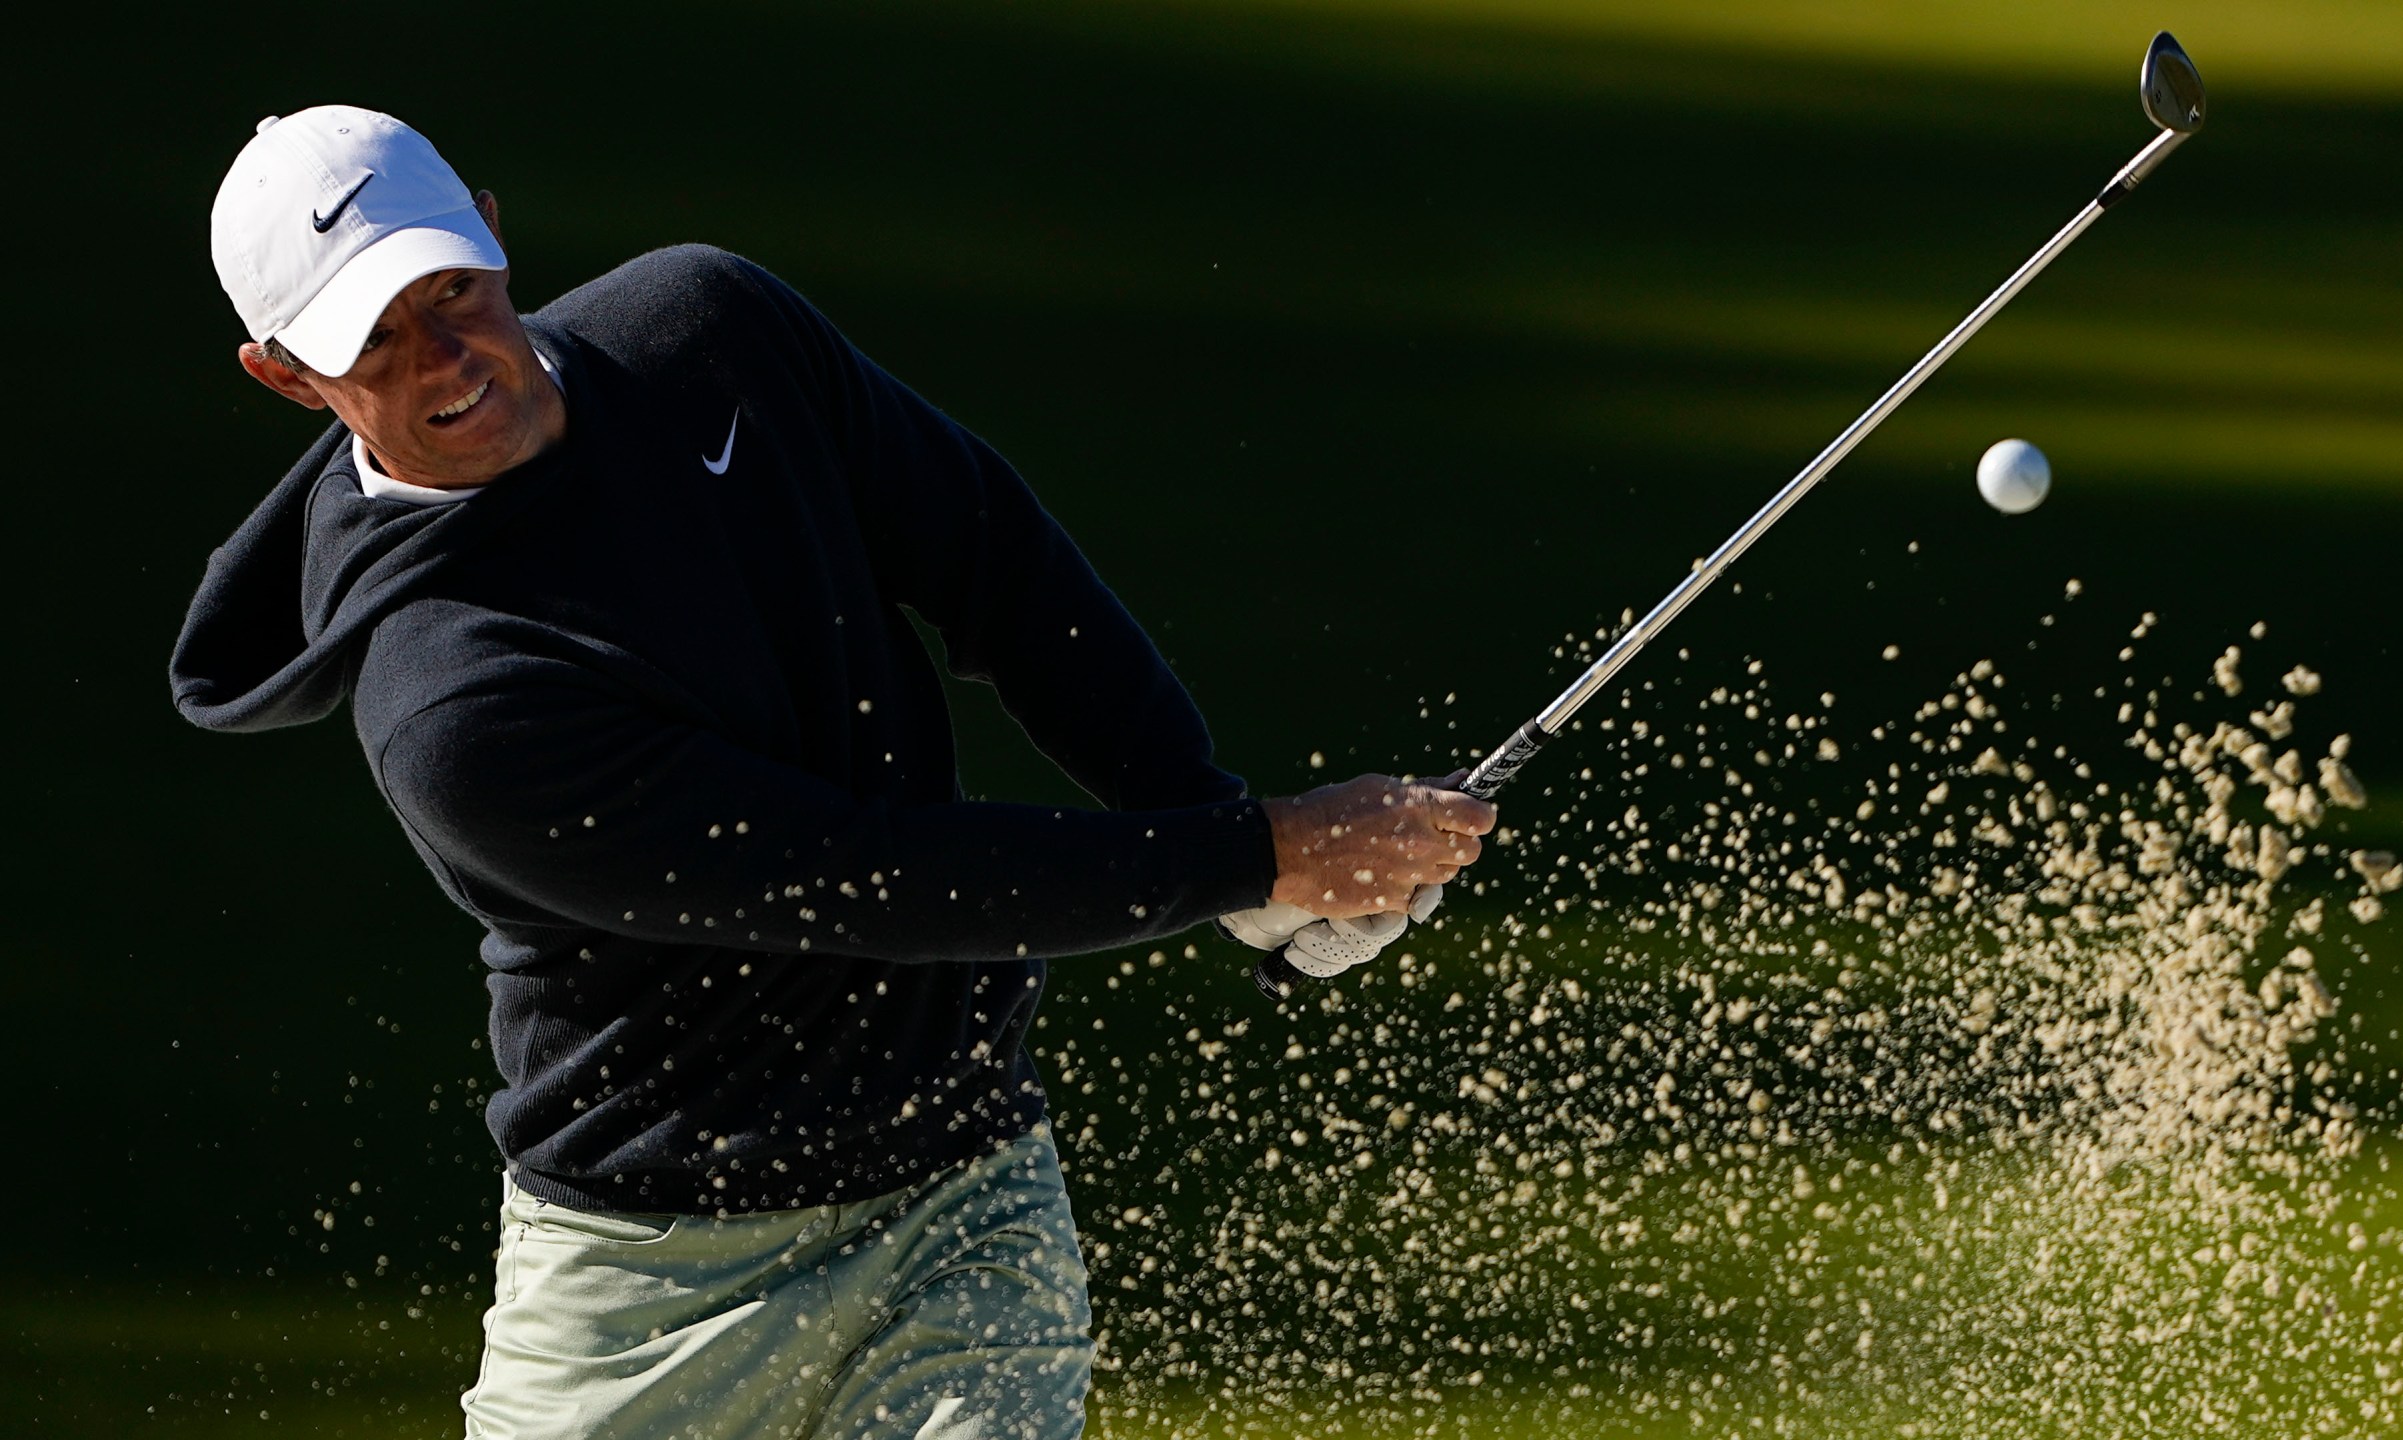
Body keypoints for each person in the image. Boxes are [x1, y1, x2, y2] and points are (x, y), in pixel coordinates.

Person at [172, 107, 1494, 1439]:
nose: (441, 355)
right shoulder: (451, 705)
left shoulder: (707, 333)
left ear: (493, 232)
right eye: (373, 340)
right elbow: (860, 877)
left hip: (961, 1189)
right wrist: (1257, 857)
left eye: (447, 288)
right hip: (650, 1290)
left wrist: (1195, 808)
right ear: (284, 375)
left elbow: (995, 565)